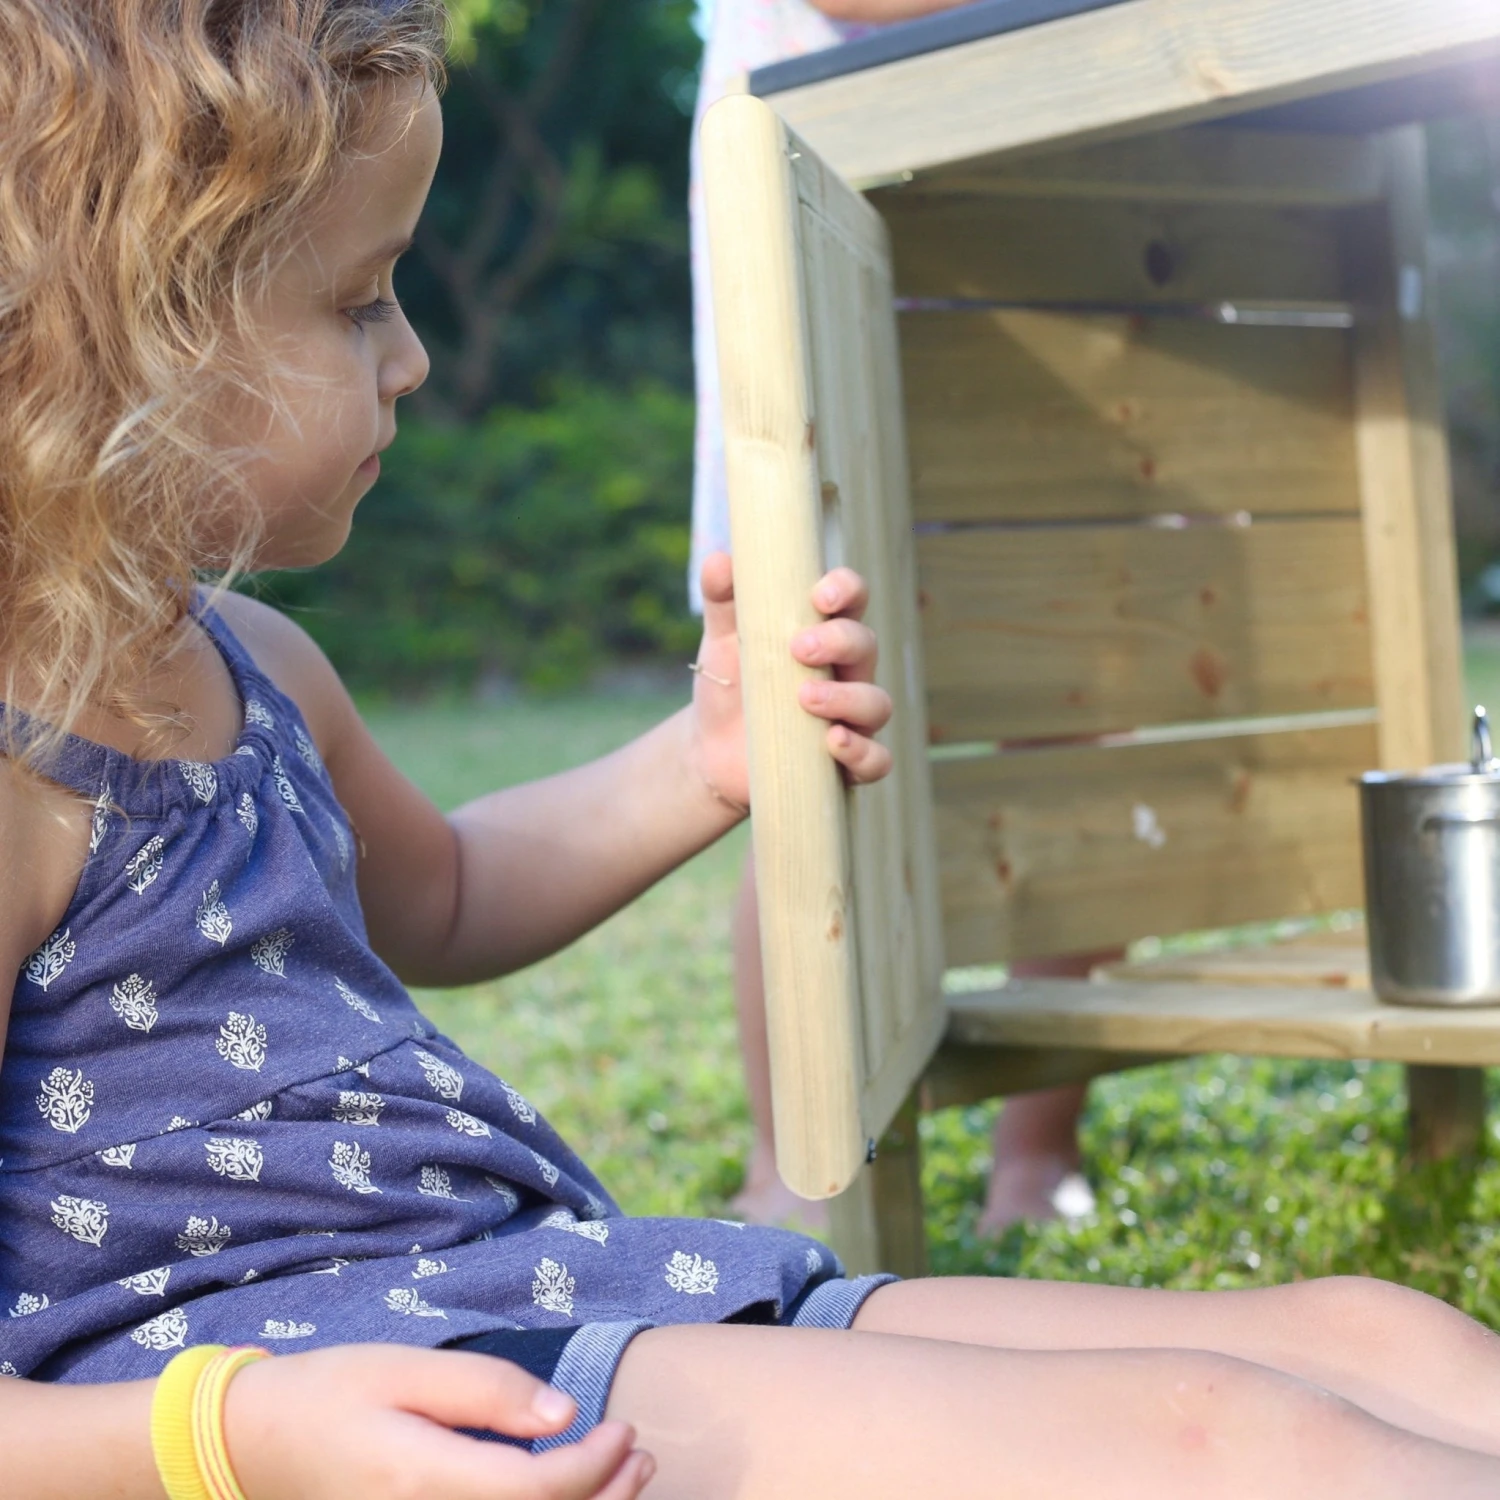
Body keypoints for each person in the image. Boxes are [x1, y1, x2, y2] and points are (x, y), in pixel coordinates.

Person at [4, 5, 1500, 1498]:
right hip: (391, 1395)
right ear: (121, 330)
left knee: (1376, 1337)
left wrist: (706, 757)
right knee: (1231, 1450)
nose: (413, 358)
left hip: (554, 1286)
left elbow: (447, 891)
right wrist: (233, 1437)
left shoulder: (257, 667)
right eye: (358, 300)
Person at [688, 0, 1110, 1233]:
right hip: (814, 206)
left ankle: (1036, 1157)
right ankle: (793, 1167)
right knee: (799, 736)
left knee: (1077, 703)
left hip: (1037, 224)